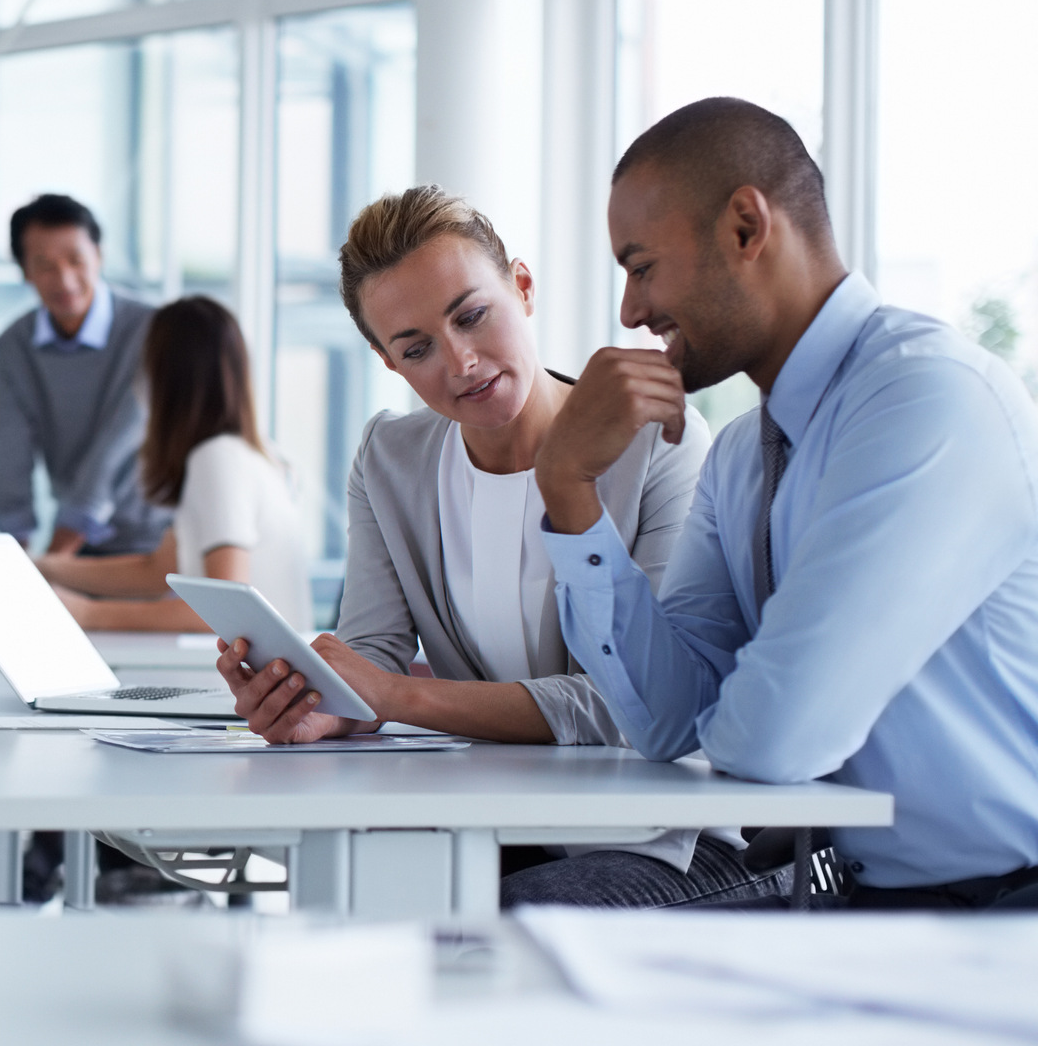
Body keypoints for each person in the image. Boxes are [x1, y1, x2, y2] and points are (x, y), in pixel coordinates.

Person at [524, 96, 1038, 911]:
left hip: (1007, 918)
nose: (629, 311)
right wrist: (566, 488)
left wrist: (733, 707)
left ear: (744, 228)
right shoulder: (739, 458)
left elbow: (772, 740)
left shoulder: (926, 401)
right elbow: (666, 721)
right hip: (874, 907)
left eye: (641, 265)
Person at [216, 185, 784, 908]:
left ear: (521, 287)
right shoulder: (391, 458)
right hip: (497, 826)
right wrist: (316, 701)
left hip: (664, 838)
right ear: (388, 363)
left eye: (472, 316)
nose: (460, 363)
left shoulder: (658, 446)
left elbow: (638, 705)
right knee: (349, 901)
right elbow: (371, 659)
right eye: (416, 348)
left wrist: (397, 696)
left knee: (482, 921)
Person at [36, 295, 312, 632]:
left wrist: (87, 614)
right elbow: (157, 569)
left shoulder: (218, 460)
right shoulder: (253, 456)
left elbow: (225, 611)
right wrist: (43, 568)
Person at [0, 194, 169, 556]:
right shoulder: (13, 346)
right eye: (45, 265)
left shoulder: (153, 330)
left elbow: (120, 441)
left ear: (98, 257)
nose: (65, 280)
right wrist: (12, 554)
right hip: (79, 545)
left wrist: (54, 557)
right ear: (24, 271)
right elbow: (10, 451)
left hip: (156, 540)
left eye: (76, 261)